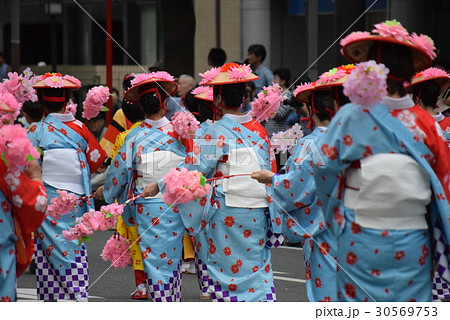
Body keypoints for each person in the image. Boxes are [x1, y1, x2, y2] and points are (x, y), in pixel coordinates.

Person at [314, 20, 450, 302]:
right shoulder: (429, 125)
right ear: (409, 74)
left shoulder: (351, 117)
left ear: (370, 69)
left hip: (359, 233)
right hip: (414, 238)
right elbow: (444, 180)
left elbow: (324, 167)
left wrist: (336, 216)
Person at [143, 63, 280, 302]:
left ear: (216, 98)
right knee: (258, 267)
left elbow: (194, 170)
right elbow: (271, 170)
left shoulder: (215, 131)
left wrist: (160, 184)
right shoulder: (259, 129)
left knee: (227, 271)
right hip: (258, 210)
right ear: (245, 97)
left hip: (228, 212)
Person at [97, 71, 192, 302]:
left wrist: (107, 194)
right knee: (171, 259)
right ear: (165, 103)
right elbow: (195, 164)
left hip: (147, 206)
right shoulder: (182, 133)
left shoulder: (134, 136)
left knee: (155, 262)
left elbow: (119, 174)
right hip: (178, 205)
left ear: (141, 107)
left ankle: (163, 301)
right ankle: (171, 299)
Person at [28, 73, 108, 301]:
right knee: (75, 247)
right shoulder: (81, 128)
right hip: (77, 199)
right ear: (66, 103)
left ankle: (57, 299)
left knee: (48, 251)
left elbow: (26, 164)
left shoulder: (35, 131)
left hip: (49, 200)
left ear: (42, 105)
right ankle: (78, 293)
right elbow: (96, 160)